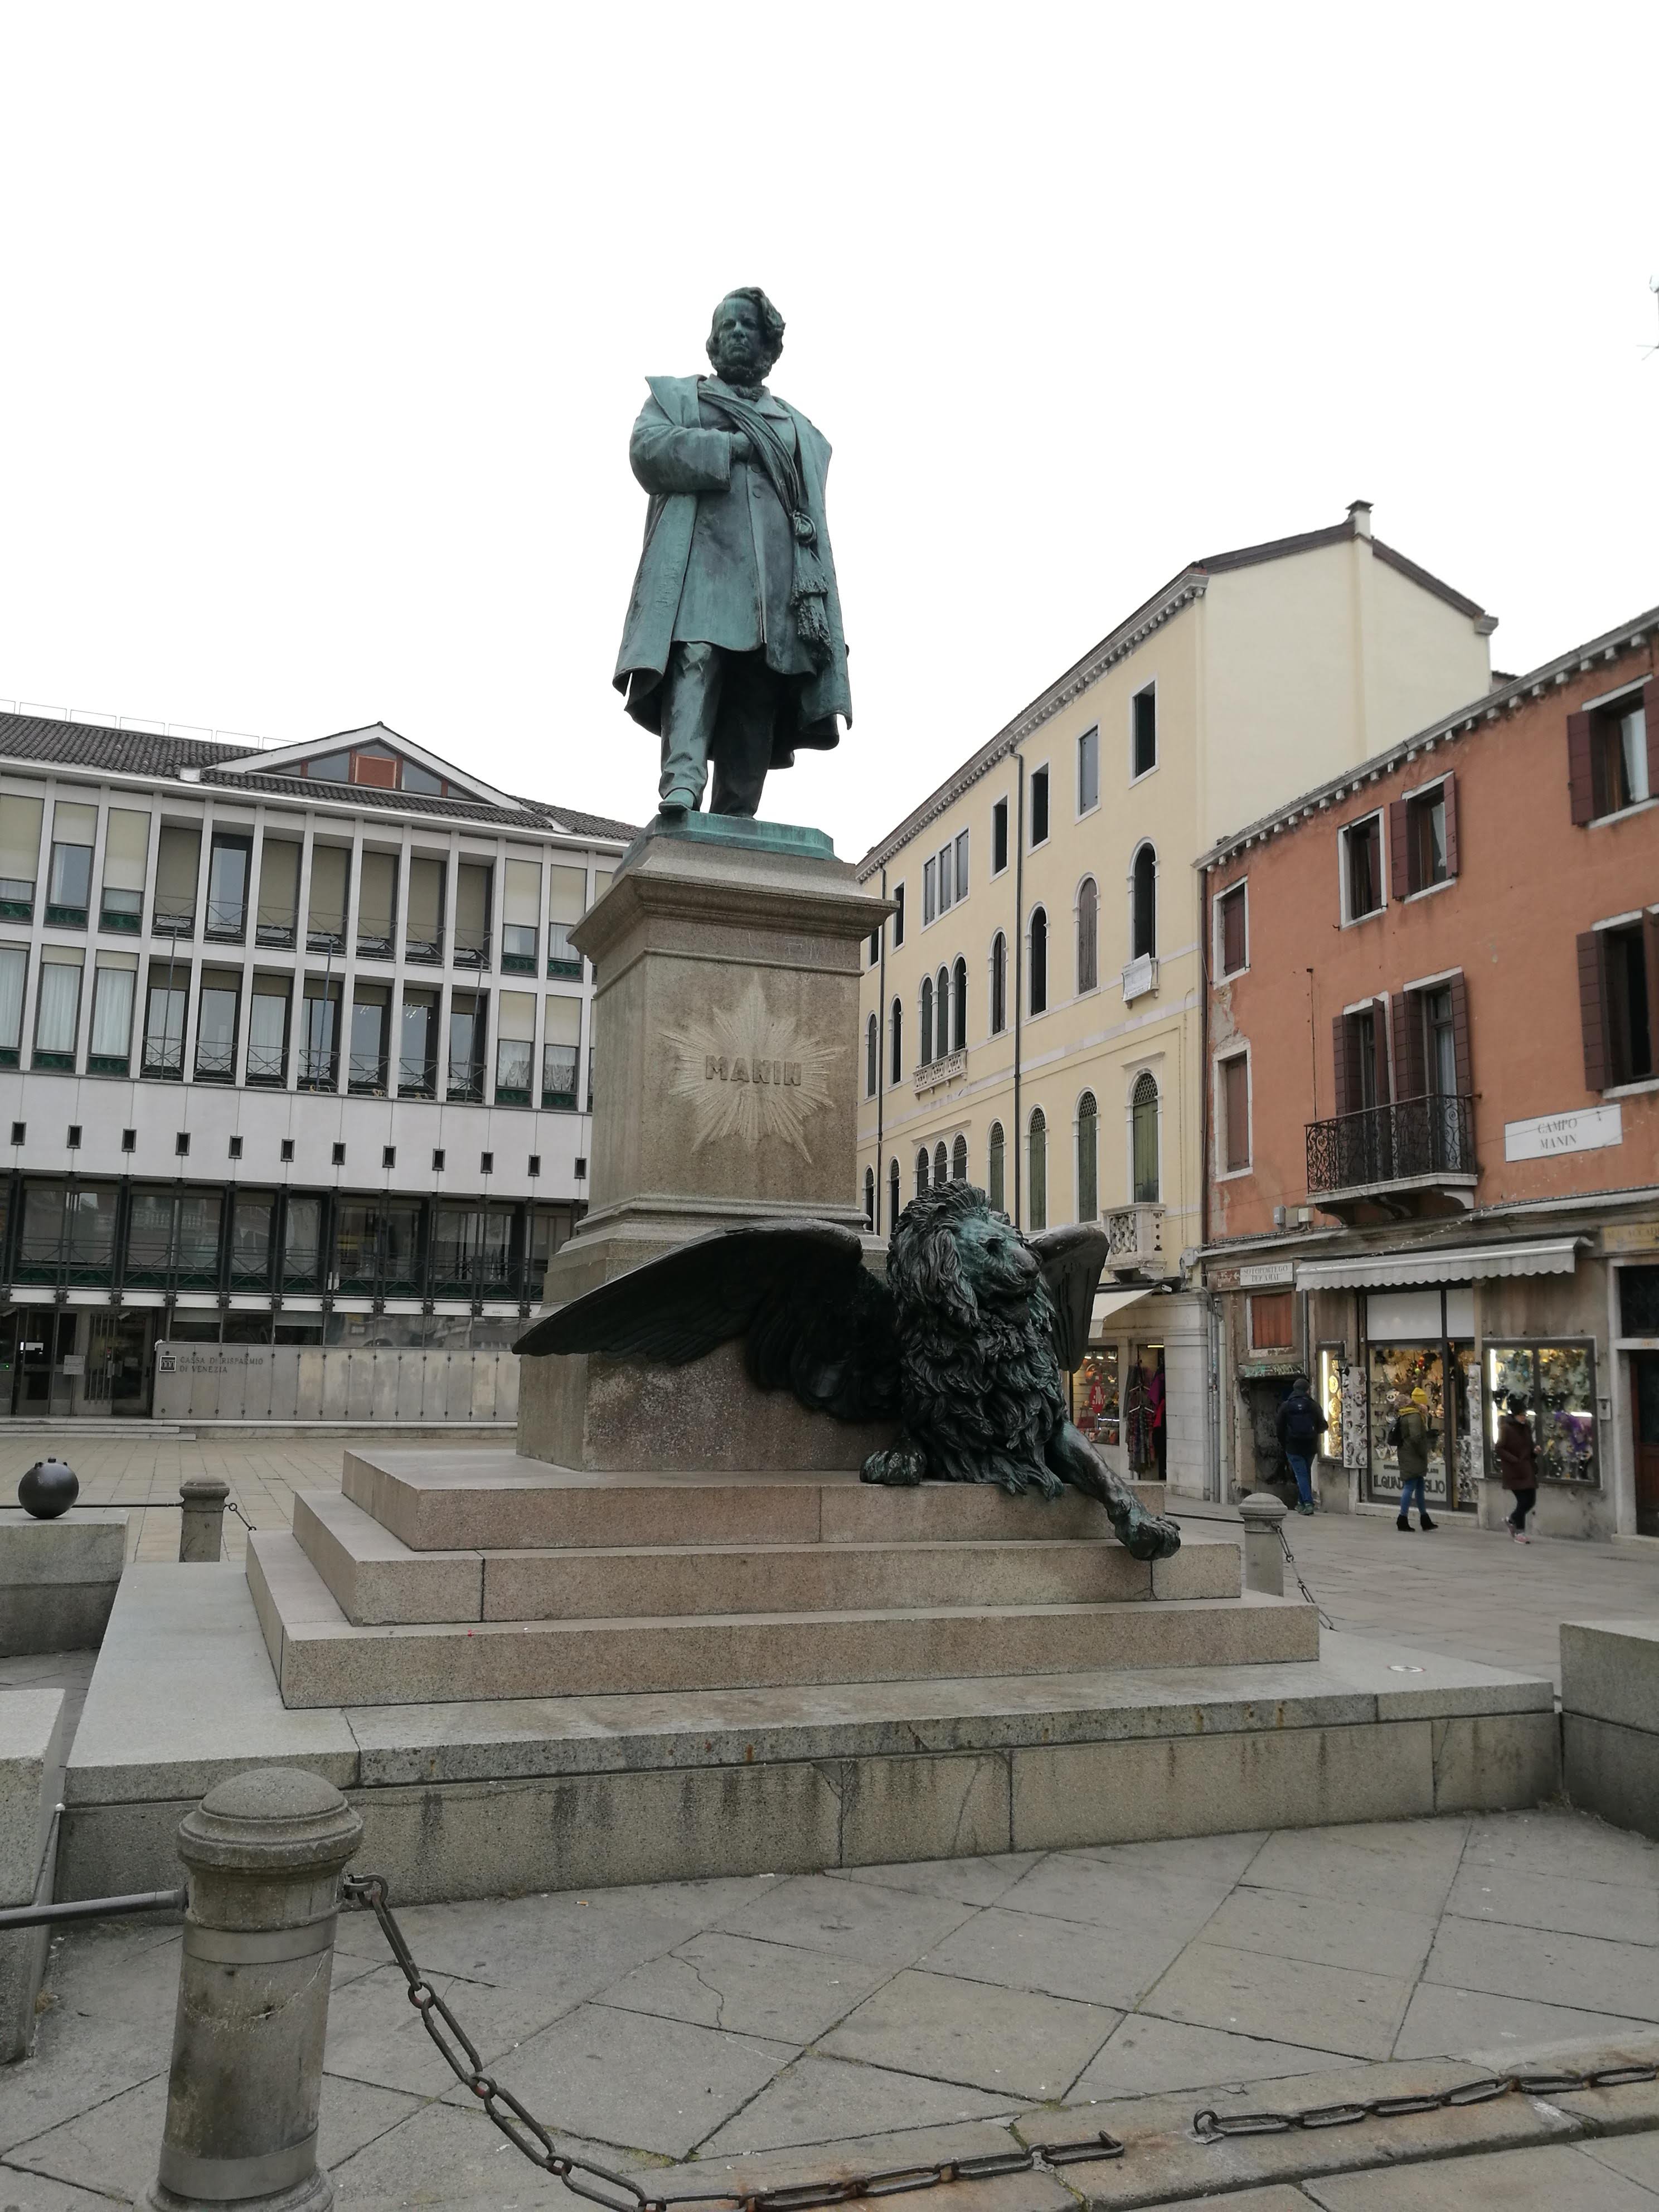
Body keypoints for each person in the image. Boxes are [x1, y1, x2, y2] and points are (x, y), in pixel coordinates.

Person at [614, 288, 852, 819]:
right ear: (713, 343)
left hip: (776, 584)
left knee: (758, 686)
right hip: (701, 568)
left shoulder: (796, 426)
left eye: (749, 327)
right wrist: (729, 447)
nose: (739, 334)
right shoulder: (679, 399)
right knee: (695, 661)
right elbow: (647, 451)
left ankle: (736, 813)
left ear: (769, 347)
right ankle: (681, 784)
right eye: (729, 327)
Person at [1275, 1372, 1328, 1515]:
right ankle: (1301, 1503)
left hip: (1293, 1447)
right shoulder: (1313, 1405)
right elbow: (1323, 1425)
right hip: (1310, 1446)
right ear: (1308, 1390)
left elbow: (1279, 1427)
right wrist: (1314, 1433)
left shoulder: (1286, 1406)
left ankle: (1308, 1503)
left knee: (1301, 1475)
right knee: (1305, 1474)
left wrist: (1285, 1443)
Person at [1495, 1391, 1539, 1543]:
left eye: (1525, 1414)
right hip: (1514, 1471)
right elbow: (1499, 1448)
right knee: (1523, 1501)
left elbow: (1529, 1447)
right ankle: (1520, 1533)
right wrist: (1514, 1460)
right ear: (1514, 1415)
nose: (1524, 1417)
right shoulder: (1506, 1429)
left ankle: (1512, 1520)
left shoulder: (1526, 1428)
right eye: (1521, 1415)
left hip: (1527, 1469)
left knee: (1531, 1500)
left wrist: (1534, 1452)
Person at [1394, 1385, 1438, 1531]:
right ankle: (1402, 1519)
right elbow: (1416, 1438)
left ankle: (1425, 1518)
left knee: (1419, 1486)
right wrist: (1422, 1452)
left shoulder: (1407, 1414)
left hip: (1409, 1454)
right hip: (1412, 1455)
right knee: (1410, 1486)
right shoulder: (1414, 1416)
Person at [1147, 1359, 1167, 1481]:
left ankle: (1164, 1469)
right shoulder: (1162, 1375)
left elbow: (1154, 1398)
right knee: (1162, 1444)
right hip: (1161, 1423)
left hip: (1161, 1422)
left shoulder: (1161, 1375)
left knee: (1161, 1445)